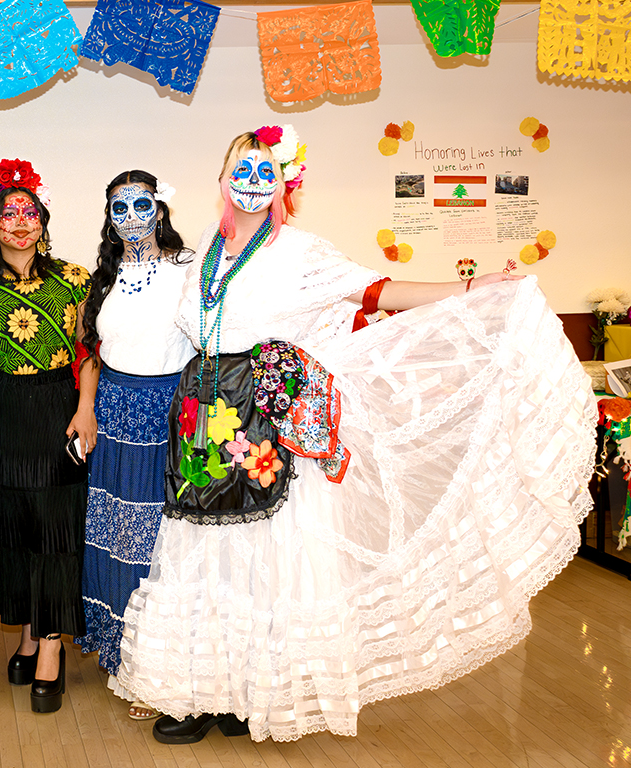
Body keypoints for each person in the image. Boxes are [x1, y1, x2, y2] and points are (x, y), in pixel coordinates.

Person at [114, 126, 596, 744]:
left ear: (285, 182)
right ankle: (199, 690)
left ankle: (249, 694)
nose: (253, 183)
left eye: (267, 172)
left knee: (264, 557)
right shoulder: (208, 246)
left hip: (264, 421)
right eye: (242, 170)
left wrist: (475, 288)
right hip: (202, 415)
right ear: (222, 178)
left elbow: (378, 291)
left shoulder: (304, 253)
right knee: (200, 550)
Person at [0, 159, 94, 714]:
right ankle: (28, 634)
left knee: (54, 529)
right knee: (12, 529)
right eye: (8, 214)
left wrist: (86, 409)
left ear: (43, 222)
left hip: (57, 412)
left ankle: (51, 652)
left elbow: (89, 352)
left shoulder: (76, 278)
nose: (21, 222)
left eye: (30, 213)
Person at [73, 170, 193, 721]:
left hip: (167, 414)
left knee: (156, 538)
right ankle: (122, 649)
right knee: (115, 531)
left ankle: (157, 662)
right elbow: (92, 352)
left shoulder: (188, 269)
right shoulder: (103, 276)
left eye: (140, 205)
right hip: (113, 412)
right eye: (118, 209)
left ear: (160, 210)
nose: (130, 218)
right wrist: (86, 410)